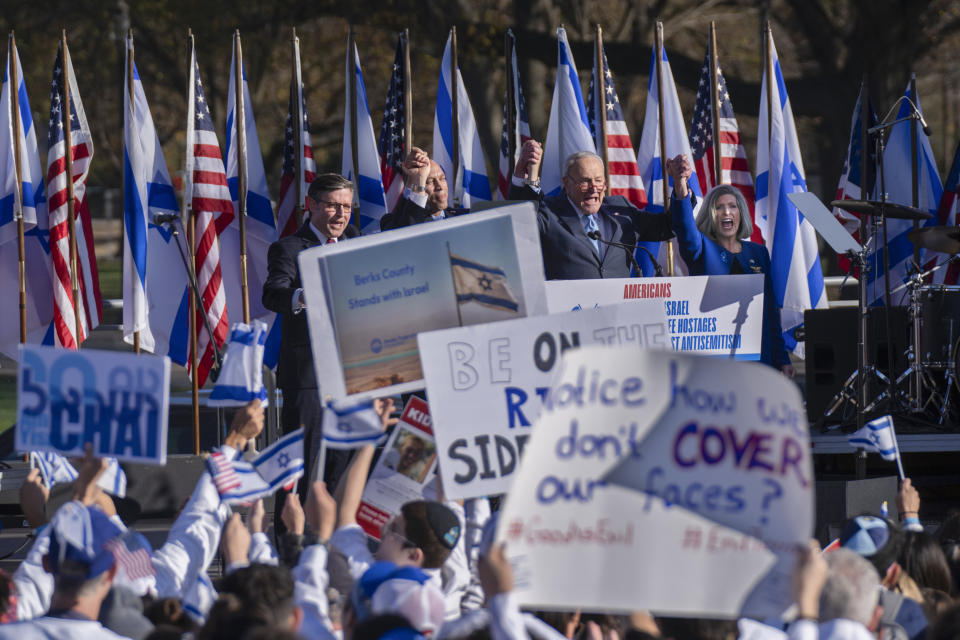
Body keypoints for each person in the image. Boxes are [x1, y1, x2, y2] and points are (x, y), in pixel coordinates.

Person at [263, 173, 360, 486]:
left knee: (343, 468)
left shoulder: (357, 243)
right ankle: (291, 535)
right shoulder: (289, 248)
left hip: (354, 374)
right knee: (301, 466)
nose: (341, 214)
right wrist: (307, 294)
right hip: (309, 377)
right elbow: (272, 293)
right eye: (332, 206)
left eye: (346, 207)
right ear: (311, 205)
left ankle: (334, 533)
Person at [664, 154, 794, 375]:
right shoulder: (700, 249)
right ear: (710, 215)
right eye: (719, 207)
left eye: (732, 206)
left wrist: (782, 359)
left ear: (740, 214)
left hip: (758, 362)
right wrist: (680, 184)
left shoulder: (758, 253)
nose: (726, 212)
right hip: (715, 363)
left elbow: (770, 312)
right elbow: (685, 228)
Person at [508, 140, 672, 280]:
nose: (594, 188)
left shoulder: (622, 211)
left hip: (617, 313)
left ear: (606, 184)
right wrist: (526, 176)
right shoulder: (550, 212)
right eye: (585, 181)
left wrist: (680, 187)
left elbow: (667, 227)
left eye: (598, 181)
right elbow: (521, 224)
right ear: (566, 183)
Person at [380, 147, 467, 230]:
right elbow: (406, 234)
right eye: (430, 181)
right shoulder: (392, 223)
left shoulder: (465, 217)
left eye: (442, 179)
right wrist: (419, 178)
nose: (440, 186)